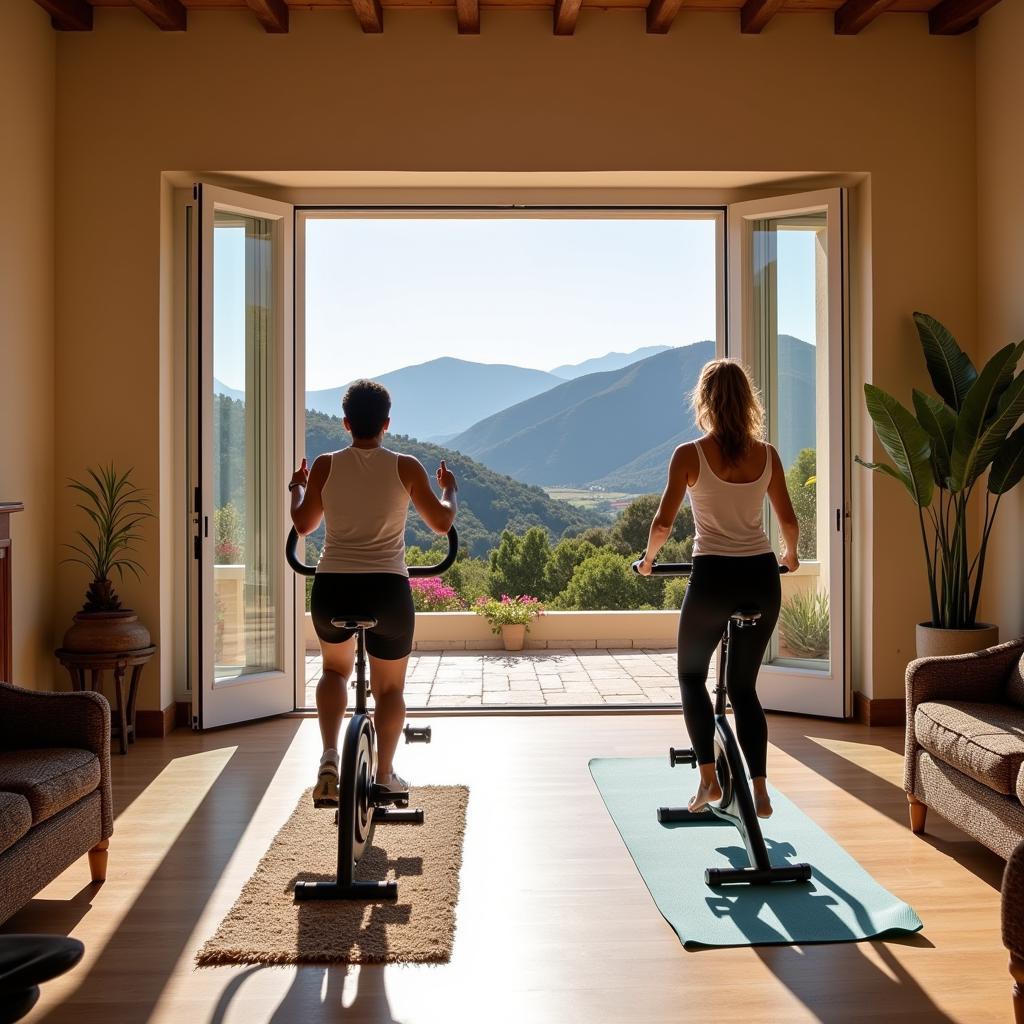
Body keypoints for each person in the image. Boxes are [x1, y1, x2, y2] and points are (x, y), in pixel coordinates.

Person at [637, 359, 799, 820]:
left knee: (691, 676)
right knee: (745, 688)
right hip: (761, 578)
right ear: (750, 401)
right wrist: (790, 556)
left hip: (713, 578)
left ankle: (707, 778)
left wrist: (647, 562)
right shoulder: (767, 455)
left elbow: (663, 522)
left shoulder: (689, 454)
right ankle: (761, 790)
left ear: (704, 401)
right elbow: (788, 521)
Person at [289, 379, 457, 807]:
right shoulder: (405, 466)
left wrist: (298, 486)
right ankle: (383, 773)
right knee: (389, 691)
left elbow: (304, 524)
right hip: (387, 591)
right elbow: (441, 523)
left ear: (346, 423)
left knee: (333, 672)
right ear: (387, 423)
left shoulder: (326, 465)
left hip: (333, 587)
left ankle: (330, 756)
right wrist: (449, 489)